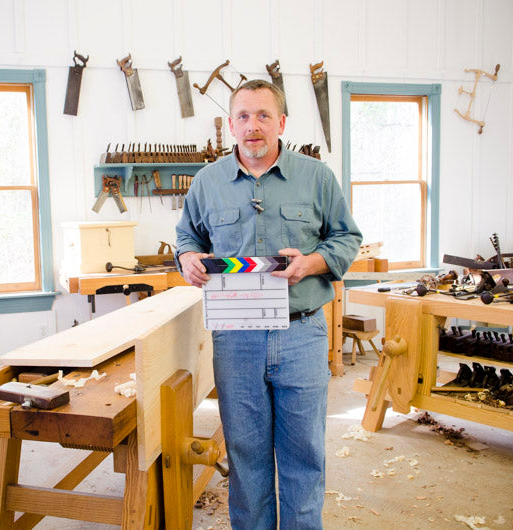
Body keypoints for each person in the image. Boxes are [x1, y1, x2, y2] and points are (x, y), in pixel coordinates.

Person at [175, 79, 363, 529]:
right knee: (246, 456)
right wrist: (186, 258)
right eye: (243, 116)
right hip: (236, 340)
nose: (253, 127)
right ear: (230, 124)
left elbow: (347, 238)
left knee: (303, 457)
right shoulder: (208, 182)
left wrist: (313, 262)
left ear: (281, 122)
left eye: (263, 116)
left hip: (302, 333)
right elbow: (188, 238)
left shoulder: (317, 177)